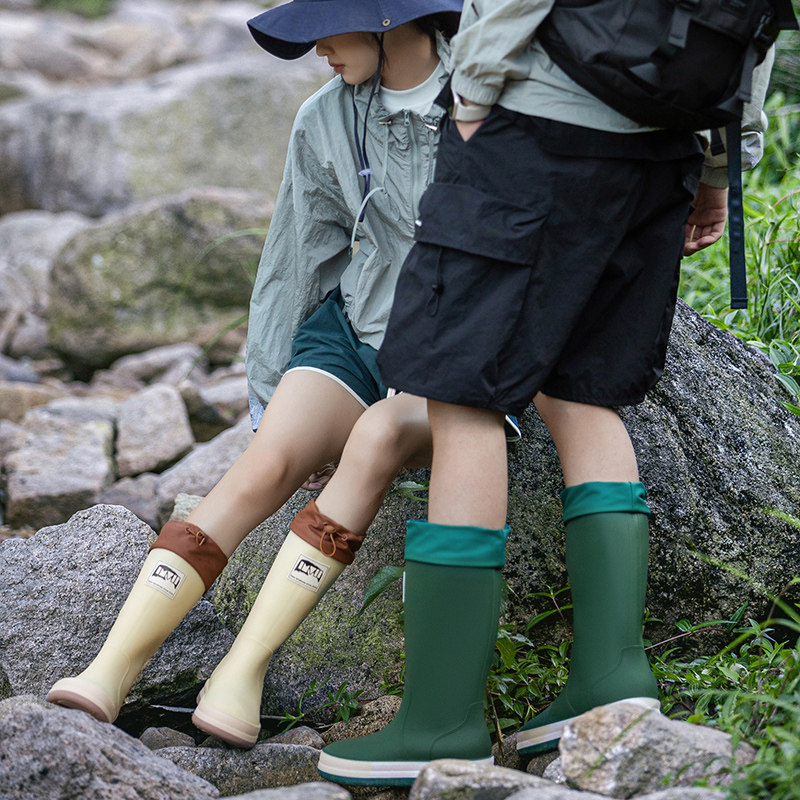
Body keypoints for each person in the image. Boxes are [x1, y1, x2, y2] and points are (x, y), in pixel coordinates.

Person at [316, 0, 775, 786]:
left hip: (537, 125)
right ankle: (611, 681)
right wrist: (721, 165)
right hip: (667, 140)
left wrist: (473, 99)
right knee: (585, 391)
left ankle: (439, 721)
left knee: (462, 400)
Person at [47, 0, 466, 749]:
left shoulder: (484, 101)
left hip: (458, 355)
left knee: (374, 438)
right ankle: (108, 670)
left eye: (329, 28)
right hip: (355, 333)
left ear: (390, 18)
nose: (318, 50)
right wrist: (269, 395)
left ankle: (241, 671)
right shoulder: (323, 118)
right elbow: (295, 261)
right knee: (268, 456)